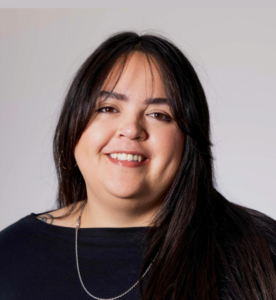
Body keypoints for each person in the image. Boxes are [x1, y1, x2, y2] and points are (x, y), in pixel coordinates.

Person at [1, 31, 276, 300]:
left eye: (158, 114)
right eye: (108, 108)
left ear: (188, 141)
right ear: (73, 125)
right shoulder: (10, 254)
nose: (131, 129)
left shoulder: (260, 249)